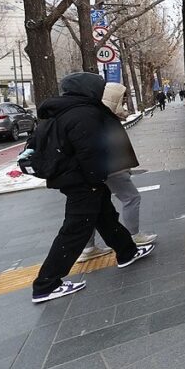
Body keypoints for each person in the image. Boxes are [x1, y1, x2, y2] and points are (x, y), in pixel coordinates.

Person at [31, 72, 155, 304]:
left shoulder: (59, 111)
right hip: (83, 182)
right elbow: (90, 152)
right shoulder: (83, 113)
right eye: (99, 87)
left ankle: (127, 252)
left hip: (73, 178)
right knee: (75, 229)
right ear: (88, 89)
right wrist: (96, 179)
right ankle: (46, 284)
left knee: (105, 217)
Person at [77, 82, 158, 262]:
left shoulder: (93, 114)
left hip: (94, 169)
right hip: (112, 167)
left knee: (94, 207)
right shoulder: (104, 116)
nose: (126, 100)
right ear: (114, 98)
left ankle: (88, 248)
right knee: (131, 197)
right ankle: (133, 235)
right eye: (123, 97)